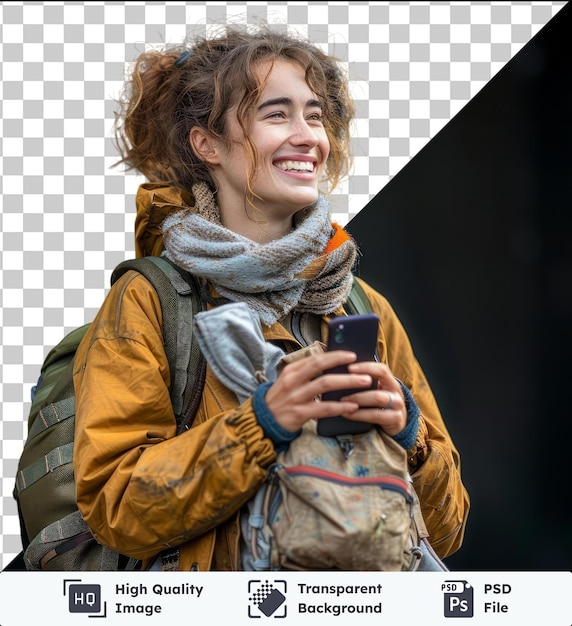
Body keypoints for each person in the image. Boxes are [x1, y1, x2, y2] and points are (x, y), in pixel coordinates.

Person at [72, 23, 470, 572]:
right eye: (276, 114)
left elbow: (446, 534)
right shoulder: (148, 300)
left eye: (314, 114)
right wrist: (262, 425)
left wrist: (410, 435)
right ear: (206, 144)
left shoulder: (359, 303)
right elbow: (116, 506)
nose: (308, 135)